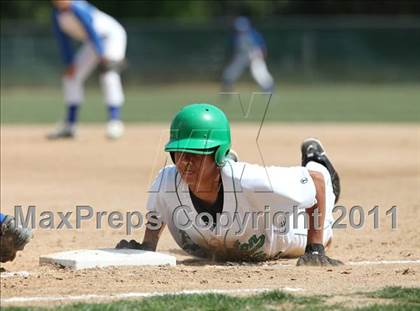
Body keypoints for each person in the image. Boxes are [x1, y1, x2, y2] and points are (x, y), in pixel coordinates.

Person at [116, 103, 343, 266]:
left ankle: (318, 160)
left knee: (324, 225)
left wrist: (315, 248)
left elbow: (316, 185)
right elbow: (157, 213)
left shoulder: (251, 180)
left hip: (287, 231)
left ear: (217, 154)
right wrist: (147, 246)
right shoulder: (167, 182)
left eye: (196, 153)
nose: (185, 162)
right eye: (179, 153)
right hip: (225, 231)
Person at [48, 0, 127, 140]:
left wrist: (102, 54)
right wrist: (70, 63)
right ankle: (70, 125)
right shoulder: (56, 15)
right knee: (71, 77)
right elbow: (63, 41)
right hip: (93, 42)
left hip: (112, 36)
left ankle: (115, 123)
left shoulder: (78, 7)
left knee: (108, 74)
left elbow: (91, 29)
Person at [222, 17, 274, 93]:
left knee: (260, 74)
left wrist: (262, 56)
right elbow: (236, 50)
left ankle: (269, 90)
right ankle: (227, 90)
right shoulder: (236, 36)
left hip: (254, 55)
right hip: (242, 55)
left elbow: (261, 46)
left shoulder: (253, 34)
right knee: (230, 73)